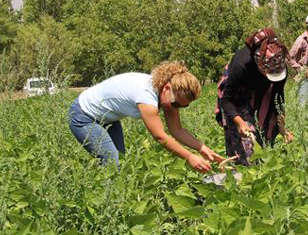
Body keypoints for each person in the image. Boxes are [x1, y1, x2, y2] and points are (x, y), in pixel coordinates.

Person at [68, 62, 223, 173]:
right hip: (84, 116)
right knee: (111, 162)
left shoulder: (166, 94)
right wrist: (189, 157)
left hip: (109, 119)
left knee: (121, 160)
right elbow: (160, 137)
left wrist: (202, 148)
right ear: (167, 88)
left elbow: (177, 130)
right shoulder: (146, 95)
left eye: (183, 106)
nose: (176, 108)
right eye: (176, 104)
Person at [216, 28, 293, 166]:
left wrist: (282, 127)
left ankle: (261, 164)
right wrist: (240, 122)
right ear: (259, 64)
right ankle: (243, 169)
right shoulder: (241, 64)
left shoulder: (279, 65)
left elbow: (278, 97)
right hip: (236, 95)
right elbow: (226, 100)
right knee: (245, 140)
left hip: (260, 91)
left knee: (265, 132)